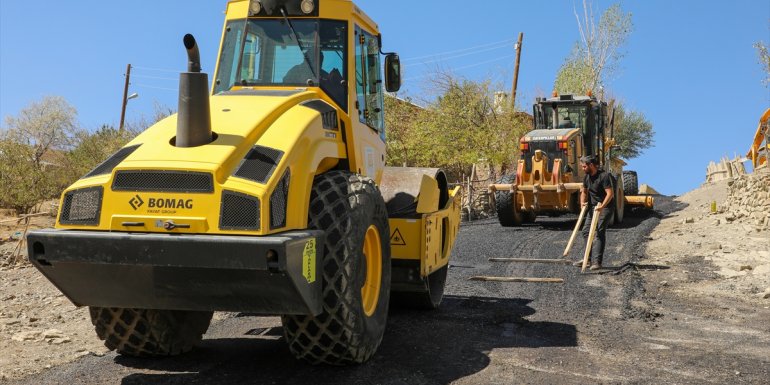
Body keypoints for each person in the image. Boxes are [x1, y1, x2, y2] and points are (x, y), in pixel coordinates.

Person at [573, 155, 615, 270]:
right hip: (593, 207)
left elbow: (610, 194)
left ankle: (597, 262)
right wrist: (582, 203)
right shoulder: (587, 177)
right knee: (586, 231)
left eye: (584, 166)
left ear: (591, 165)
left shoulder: (604, 176)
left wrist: (602, 206)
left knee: (599, 232)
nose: (583, 168)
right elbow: (584, 191)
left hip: (605, 207)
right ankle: (587, 259)